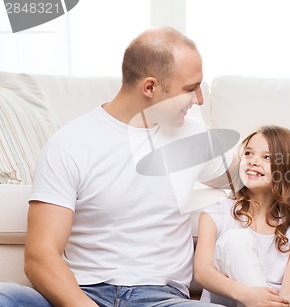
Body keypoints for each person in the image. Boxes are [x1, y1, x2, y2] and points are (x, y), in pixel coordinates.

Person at [0, 27, 236, 306]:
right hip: (82, 293)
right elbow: (40, 256)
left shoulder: (194, 136)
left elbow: (254, 175)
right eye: (190, 88)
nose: (199, 99)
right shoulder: (70, 143)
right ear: (149, 87)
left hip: (160, 298)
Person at [194, 125, 290, 307]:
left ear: (286, 169)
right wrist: (248, 295)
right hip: (227, 302)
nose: (253, 161)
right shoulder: (216, 213)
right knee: (235, 240)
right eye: (248, 153)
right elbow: (202, 272)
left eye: (267, 157)